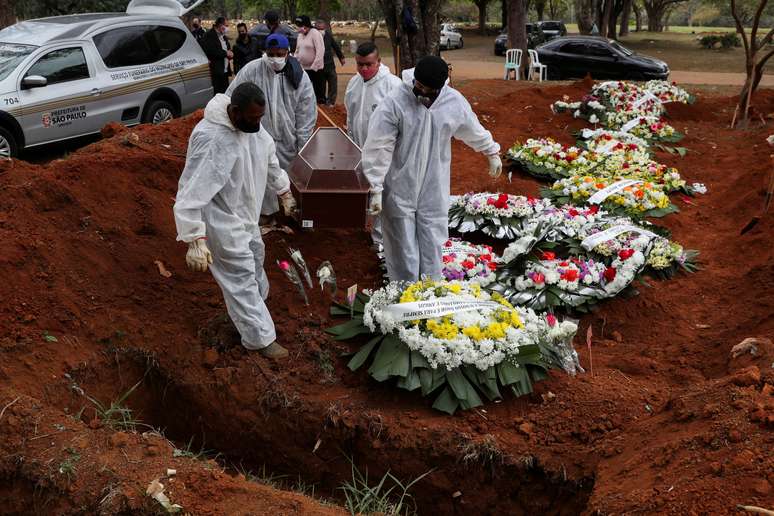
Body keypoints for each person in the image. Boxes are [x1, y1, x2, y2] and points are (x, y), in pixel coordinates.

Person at [174, 82, 297, 358]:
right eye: (253, 118)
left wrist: (283, 190)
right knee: (240, 274)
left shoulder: (252, 127)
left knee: (255, 259)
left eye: (260, 118)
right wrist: (194, 237)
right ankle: (260, 339)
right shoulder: (212, 139)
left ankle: (249, 312)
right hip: (220, 221)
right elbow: (191, 190)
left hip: (246, 216)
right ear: (235, 111)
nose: (257, 123)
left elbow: (269, 158)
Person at [362, 56, 503, 282]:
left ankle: (430, 289)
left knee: (432, 237)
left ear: (439, 88)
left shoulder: (453, 102)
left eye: (427, 89)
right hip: (400, 183)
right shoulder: (396, 101)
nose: (421, 92)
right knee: (401, 242)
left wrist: (491, 151)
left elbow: (471, 127)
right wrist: (376, 185)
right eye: (418, 86)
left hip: (434, 184)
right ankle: (404, 292)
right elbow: (379, 145)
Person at [226, 34, 317, 219]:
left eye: (280, 54)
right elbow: (232, 96)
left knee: (289, 180)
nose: (275, 58)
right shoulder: (252, 70)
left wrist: (303, 146)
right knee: (258, 179)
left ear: (288, 53)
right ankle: (263, 215)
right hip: (257, 136)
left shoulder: (298, 76)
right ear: (264, 52)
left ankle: (293, 214)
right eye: (271, 53)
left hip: (287, 141)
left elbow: (305, 113)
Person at [344, 42, 402, 249]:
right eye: (359, 64)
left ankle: (381, 240)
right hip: (361, 147)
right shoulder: (353, 84)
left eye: (368, 64)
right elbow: (351, 117)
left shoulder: (393, 86)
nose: (364, 69)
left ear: (379, 61)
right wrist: (351, 142)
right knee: (369, 191)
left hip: (386, 152)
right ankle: (368, 228)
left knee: (385, 194)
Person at [294, 15, 326, 104]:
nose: (299, 28)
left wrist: (314, 66)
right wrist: (296, 61)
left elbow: (320, 50)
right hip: (303, 69)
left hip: (315, 70)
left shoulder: (315, 33)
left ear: (306, 25)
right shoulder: (300, 35)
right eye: (298, 26)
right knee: (305, 92)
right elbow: (297, 50)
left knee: (317, 93)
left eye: (301, 25)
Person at [315, 19, 345, 106]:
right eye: (319, 29)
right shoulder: (312, 36)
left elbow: (335, 46)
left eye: (322, 29)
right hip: (319, 67)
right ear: (315, 28)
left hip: (330, 65)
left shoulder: (328, 34)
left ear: (325, 27)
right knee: (321, 86)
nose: (321, 31)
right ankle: (321, 102)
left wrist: (341, 57)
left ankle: (331, 102)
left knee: (333, 84)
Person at [200, 17, 233, 95]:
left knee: (225, 94)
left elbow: (227, 48)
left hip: (224, 71)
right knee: (217, 94)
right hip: (215, 71)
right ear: (220, 25)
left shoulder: (223, 36)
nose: (227, 28)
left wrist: (230, 53)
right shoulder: (209, 35)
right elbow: (211, 51)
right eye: (226, 25)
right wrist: (226, 53)